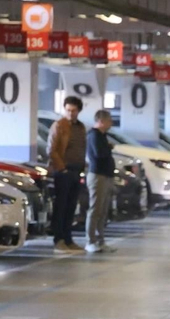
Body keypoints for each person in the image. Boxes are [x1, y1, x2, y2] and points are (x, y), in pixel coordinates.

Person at [47, 96, 88, 253]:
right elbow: (51, 149)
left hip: (77, 171)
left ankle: (68, 239)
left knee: (71, 207)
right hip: (64, 172)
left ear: (79, 111)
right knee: (61, 206)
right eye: (68, 110)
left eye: (74, 110)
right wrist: (61, 168)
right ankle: (59, 240)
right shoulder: (59, 126)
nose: (71, 113)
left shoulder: (81, 127)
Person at [85, 109, 117, 255]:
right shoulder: (94, 135)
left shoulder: (103, 136)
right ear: (101, 121)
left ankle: (100, 240)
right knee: (95, 209)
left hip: (106, 175)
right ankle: (90, 241)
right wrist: (109, 147)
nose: (111, 123)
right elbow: (99, 154)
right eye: (109, 120)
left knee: (103, 211)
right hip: (97, 176)